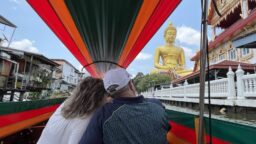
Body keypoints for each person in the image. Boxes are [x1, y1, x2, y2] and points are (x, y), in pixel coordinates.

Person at [79, 68, 170, 144]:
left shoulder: (103, 114)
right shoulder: (157, 104)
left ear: (109, 93)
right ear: (131, 84)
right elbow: (167, 128)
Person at [37, 77, 108, 144]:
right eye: (106, 95)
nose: (107, 99)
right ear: (98, 98)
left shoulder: (66, 104)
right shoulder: (87, 120)